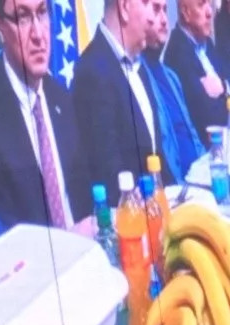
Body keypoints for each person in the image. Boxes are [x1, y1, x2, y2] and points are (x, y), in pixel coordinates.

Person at [0, 0, 92, 233]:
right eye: (23, 17)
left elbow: (84, 200)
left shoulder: (62, 98)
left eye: (42, 13)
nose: (38, 35)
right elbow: (3, 235)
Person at [72, 0, 168, 194]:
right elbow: (109, 174)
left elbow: (155, 153)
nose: (154, 18)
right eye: (147, 4)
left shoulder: (140, 66)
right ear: (124, 7)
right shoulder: (92, 73)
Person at [142, 0, 204, 179]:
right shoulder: (139, 77)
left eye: (165, 10)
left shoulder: (171, 76)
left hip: (199, 177)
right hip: (174, 186)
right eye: (156, 10)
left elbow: (191, 133)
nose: (164, 20)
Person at [161, 0, 229, 135]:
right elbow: (209, 118)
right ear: (185, 13)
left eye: (209, 4)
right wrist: (224, 94)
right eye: (202, 4)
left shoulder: (207, 43)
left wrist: (221, 89)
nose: (209, 12)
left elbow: (228, 89)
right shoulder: (177, 54)